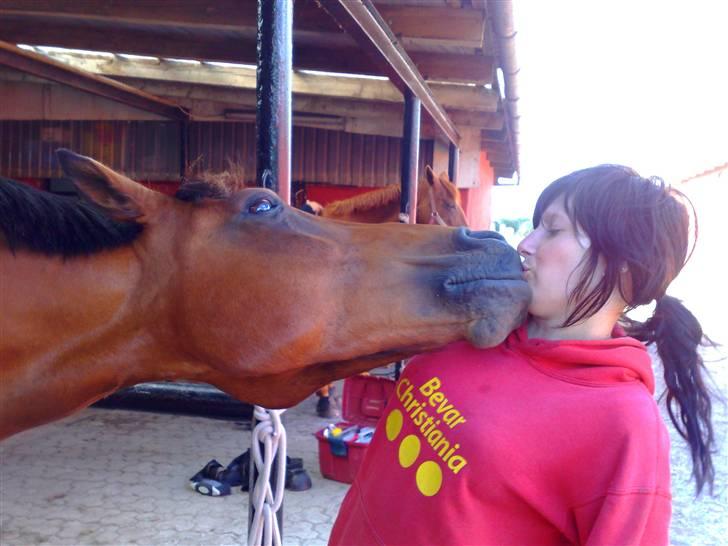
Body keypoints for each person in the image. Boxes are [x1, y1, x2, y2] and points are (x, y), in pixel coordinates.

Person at [329, 165, 716, 545]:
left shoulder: (625, 423)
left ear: (624, 269)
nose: (526, 244)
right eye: (535, 226)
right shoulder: (476, 327)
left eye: (553, 229)